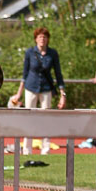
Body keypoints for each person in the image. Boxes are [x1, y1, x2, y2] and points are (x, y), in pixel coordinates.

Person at [10, 27, 66, 156]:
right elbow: (24, 74)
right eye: (40, 37)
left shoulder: (53, 53)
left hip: (46, 89)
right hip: (31, 87)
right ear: (36, 39)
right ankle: (27, 149)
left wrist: (63, 95)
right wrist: (19, 93)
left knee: (46, 119)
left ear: (48, 40)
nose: (42, 39)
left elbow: (58, 74)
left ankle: (45, 149)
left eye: (45, 37)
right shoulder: (29, 52)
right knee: (29, 118)